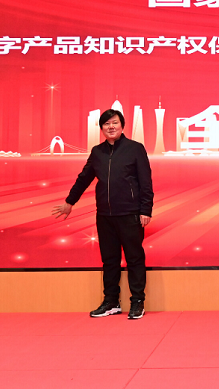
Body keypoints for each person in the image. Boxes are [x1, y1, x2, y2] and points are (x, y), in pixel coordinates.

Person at [52, 109, 153, 320]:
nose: (111, 127)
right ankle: (111, 302)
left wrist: (145, 209)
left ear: (122, 125)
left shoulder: (135, 149)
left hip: (130, 214)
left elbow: (146, 182)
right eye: (106, 124)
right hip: (105, 216)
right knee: (109, 260)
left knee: (134, 259)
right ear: (102, 128)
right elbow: (84, 178)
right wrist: (70, 202)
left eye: (114, 122)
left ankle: (137, 302)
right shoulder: (97, 152)